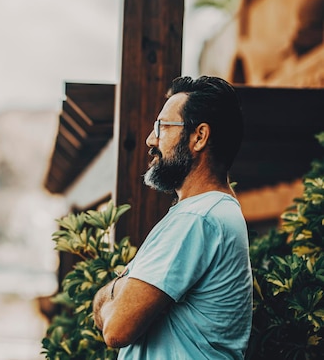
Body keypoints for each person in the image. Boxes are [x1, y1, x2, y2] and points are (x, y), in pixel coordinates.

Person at [92, 75, 253, 359]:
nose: (150, 139)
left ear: (199, 137)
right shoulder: (215, 212)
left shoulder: (197, 218)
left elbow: (116, 329)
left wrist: (116, 286)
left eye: (163, 127)